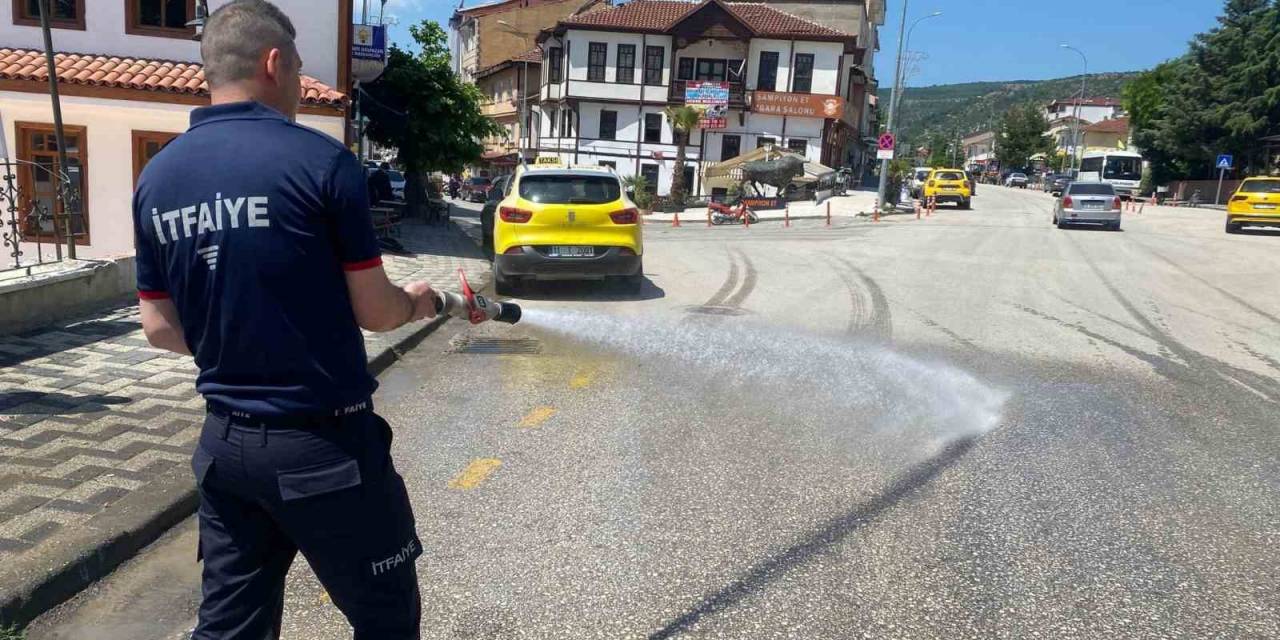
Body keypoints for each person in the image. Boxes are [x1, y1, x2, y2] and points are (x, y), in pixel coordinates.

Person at [132, 2, 432, 637]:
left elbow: (158, 328)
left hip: (224, 452)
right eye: (296, 69)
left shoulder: (156, 177)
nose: (299, 84)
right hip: (324, 449)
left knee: (231, 628)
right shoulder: (322, 164)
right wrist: (419, 301)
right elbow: (376, 311)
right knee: (387, 620)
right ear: (274, 64)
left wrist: (235, 340)